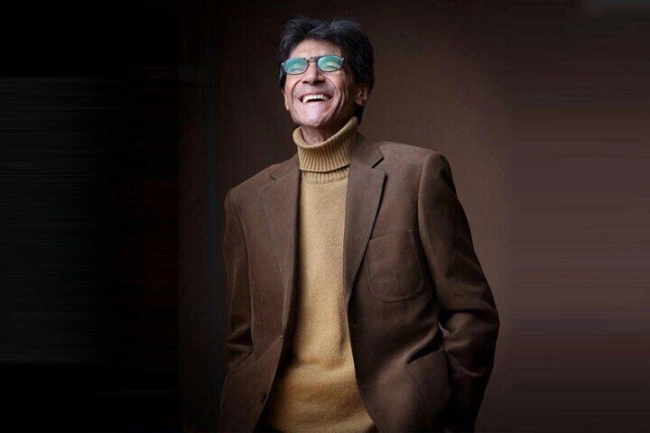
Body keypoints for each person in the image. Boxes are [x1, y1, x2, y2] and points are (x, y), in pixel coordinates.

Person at [218, 16, 499, 433]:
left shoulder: (417, 176)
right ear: (285, 96)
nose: (311, 76)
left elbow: (471, 314)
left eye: (330, 64)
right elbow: (243, 339)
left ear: (362, 90)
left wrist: (445, 418)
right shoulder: (245, 201)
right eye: (296, 67)